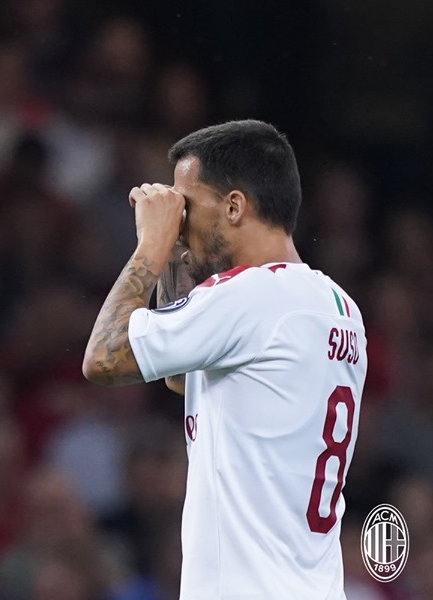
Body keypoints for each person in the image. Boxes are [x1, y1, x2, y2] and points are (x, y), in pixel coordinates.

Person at [82, 120, 367, 599]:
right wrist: (176, 252)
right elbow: (181, 377)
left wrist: (150, 245)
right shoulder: (338, 305)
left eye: (187, 206)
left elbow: (103, 358)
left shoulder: (247, 296)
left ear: (234, 206)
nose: (179, 219)